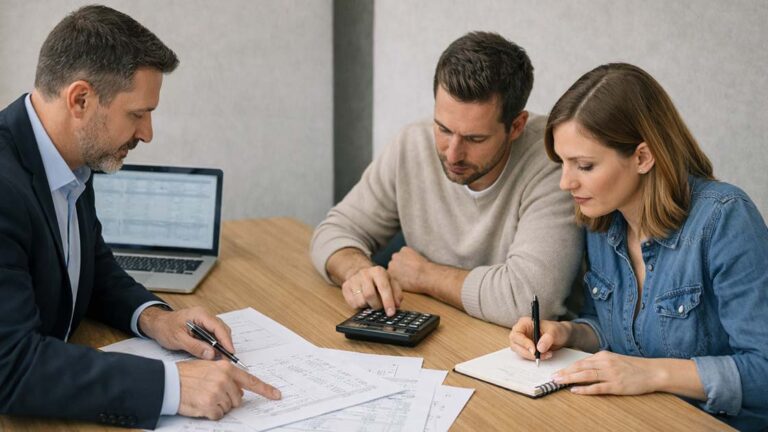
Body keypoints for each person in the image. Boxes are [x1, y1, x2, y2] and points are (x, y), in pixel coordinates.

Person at [0, 5, 280, 429]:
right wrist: (173, 385)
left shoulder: (72, 158)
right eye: (137, 114)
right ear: (80, 99)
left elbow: (89, 266)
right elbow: (11, 366)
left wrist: (156, 318)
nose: (147, 133)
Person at [508, 63, 768, 431]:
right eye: (562, 164)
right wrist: (567, 333)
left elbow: (764, 370)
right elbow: (618, 332)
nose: (566, 183)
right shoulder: (601, 221)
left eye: (584, 165)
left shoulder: (725, 219)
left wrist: (653, 374)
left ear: (643, 157)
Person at [310, 32, 583, 327]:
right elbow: (334, 230)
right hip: (442, 333)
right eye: (443, 128)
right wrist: (357, 270)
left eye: (474, 138)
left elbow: (529, 300)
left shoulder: (554, 162)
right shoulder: (412, 144)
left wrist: (426, 275)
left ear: (516, 126)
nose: (452, 154)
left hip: (516, 354)